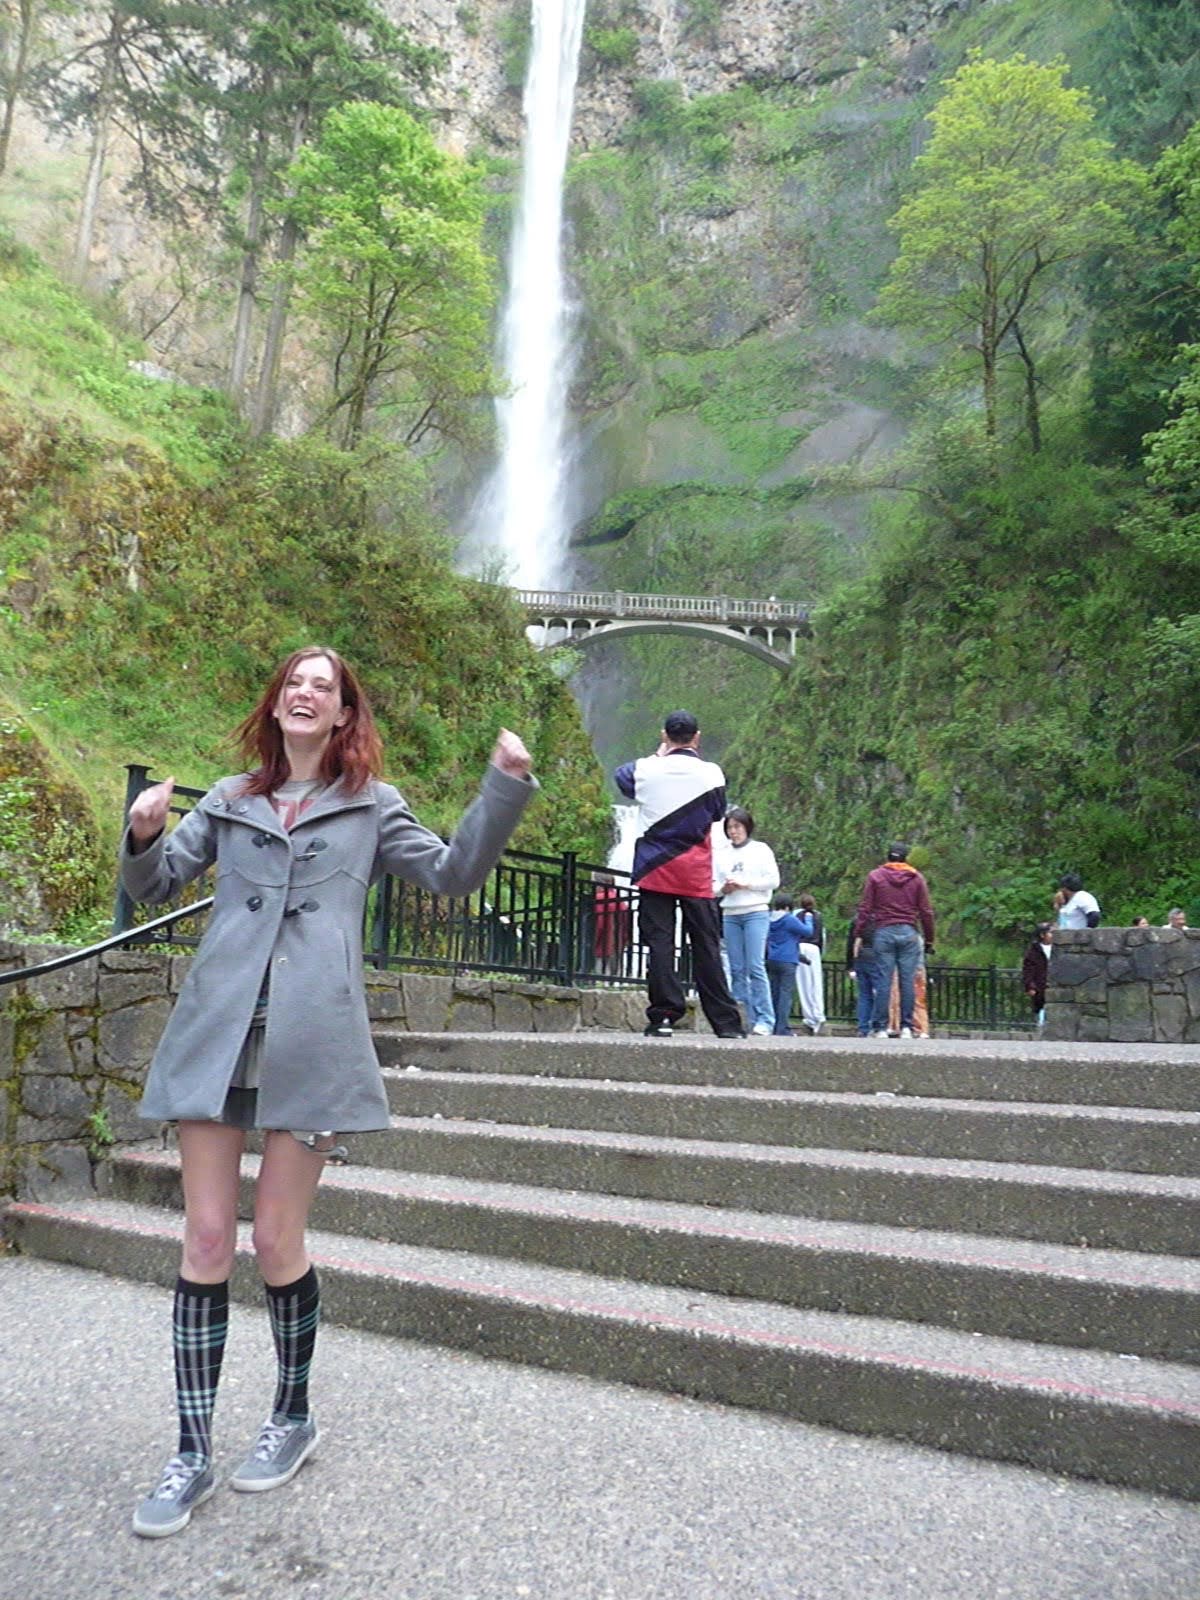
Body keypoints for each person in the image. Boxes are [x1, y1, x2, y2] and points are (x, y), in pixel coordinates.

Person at [121, 647, 536, 1538]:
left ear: (345, 716)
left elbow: (455, 874)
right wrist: (146, 831)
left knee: (273, 1238)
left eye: (326, 687)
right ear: (276, 707)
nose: (306, 694)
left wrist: (502, 787)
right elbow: (150, 888)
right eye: (294, 684)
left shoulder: (371, 807)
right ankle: (190, 1452)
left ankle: (292, 1415)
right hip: (217, 1035)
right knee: (202, 1234)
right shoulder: (232, 801)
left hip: (313, 1043)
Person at [614, 712, 744, 1039]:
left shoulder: (645, 769)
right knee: (706, 945)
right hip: (695, 871)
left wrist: (658, 756)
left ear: (664, 735)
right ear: (696, 737)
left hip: (654, 870)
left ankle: (663, 1017)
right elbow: (717, 813)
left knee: (659, 943)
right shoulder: (711, 773)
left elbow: (622, 777)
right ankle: (726, 1024)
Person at [853, 842, 935, 1039]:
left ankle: (880, 1027)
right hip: (908, 932)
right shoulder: (916, 878)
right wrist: (930, 939)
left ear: (888, 856)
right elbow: (925, 911)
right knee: (907, 980)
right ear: (906, 857)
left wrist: (859, 933)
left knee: (884, 980)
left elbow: (865, 909)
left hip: (884, 931)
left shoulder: (876, 876)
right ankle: (907, 1026)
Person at [714, 806, 780, 1035]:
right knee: (736, 968)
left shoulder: (761, 850)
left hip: (755, 911)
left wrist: (746, 884)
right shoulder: (721, 854)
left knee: (755, 966)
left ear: (747, 827)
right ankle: (742, 1017)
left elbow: (773, 880)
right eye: (730, 827)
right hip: (730, 913)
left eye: (737, 826)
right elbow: (711, 887)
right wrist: (724, 888)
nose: (734, 831)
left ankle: (765, 1019)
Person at [765, 892, 812, 1036]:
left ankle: (771, 1025)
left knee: (774, 994)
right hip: (788, 959)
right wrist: (809, 919)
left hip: (772, 959)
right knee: (785, 995)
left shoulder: (768, 919)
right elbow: (808, 932)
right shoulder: (789, 919)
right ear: (787, 906)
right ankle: (782, 1028)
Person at [795, 891, 826, 1035]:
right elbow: (822, 937)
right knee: (816, 983)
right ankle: (818, 1014)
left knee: (804, 983)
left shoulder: (796, 916)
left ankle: (809, 1016)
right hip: (814, 949)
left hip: (800, 947)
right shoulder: (818, 916)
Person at [845, 917, 880, 1038]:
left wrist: (850, 965)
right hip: (877, 957)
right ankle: (876, 1025)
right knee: (879, 993)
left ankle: (863, 1027)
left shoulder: (858, 920)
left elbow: (851, 943)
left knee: (864, 994)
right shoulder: (883, 919)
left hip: (861, 957)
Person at [592, 872, 631, 976]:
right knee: (614, 973)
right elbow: (627, 924)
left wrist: (593, 940)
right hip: (617, 943)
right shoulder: (620, 901)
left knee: (599, 973)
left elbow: (599, 924)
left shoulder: (599, 898)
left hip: (602, 944)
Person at [1022, 920, 1054, 1027]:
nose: (1053, 935)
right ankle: (1041, 1026)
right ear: (1042, 935)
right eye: (1050, 932)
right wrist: (1030, 986)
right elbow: (1028, 970)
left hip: (1054, 983)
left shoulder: (1058, 948)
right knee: (1041, 1006)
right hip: (1040, 985)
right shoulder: (1034, 951)